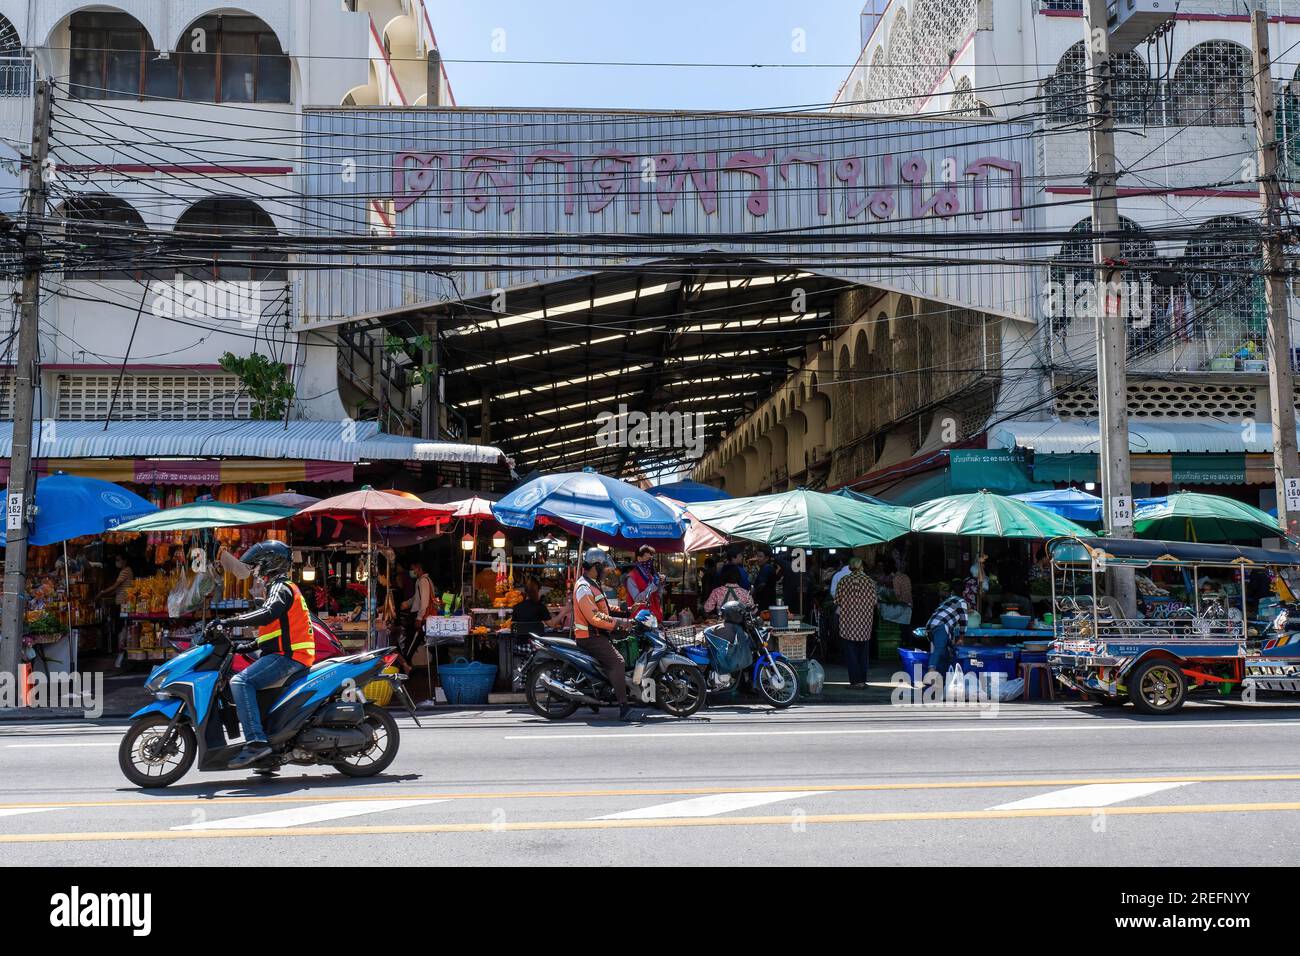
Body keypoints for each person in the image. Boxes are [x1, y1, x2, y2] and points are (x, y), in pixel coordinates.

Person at [218, 541, 316, 769]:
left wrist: (228, 621)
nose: (256, 571)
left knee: (241, 682)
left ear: (270, 564)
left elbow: (266, 614)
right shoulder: (279, 588)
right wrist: (241, 647)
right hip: (286, 654)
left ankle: (255, 742)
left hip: (290, 657)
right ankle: (269, 756)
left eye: (258, 565)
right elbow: (271, 634)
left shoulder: (282, 587)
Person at [574, 548, 634, 721]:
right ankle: (624, 707)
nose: (607, 571)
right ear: (596, 565)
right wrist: (619, 624)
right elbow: (595, 617)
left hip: (598, 634)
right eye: (604, 567)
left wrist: (626, 611)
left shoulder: (592, 584)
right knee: (617, 662)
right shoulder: (584, 588)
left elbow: (603, 609)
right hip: (590, 637)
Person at [834, 558, 878, 687]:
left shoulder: (844, 581)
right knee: (863, 653)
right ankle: (862, 681)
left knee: (851, 653)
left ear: (850, 567)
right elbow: (874, 601)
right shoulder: (869, 581)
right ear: (861, 567)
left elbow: (837, 600)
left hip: (848, 623)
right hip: (865, 623)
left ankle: (855, 681)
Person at [926, 588, 969, 674]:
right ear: (964, 593)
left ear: (952, 592)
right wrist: (961, 638)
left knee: (944, 654)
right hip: (940, 625)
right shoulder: (962, 601)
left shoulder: (947, 601)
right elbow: (964, 621)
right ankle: (931, 671)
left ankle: (943, 677)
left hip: (930, 625)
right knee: (940, 648)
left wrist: (951, 641)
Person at [96, 555, 134, 653]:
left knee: (120, 626)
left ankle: (120, 649)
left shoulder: (125, 571)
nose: (116, 562)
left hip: (123, 603)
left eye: (118, 560)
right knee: (121, 626)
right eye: (116, 560)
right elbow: (117, 589)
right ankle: (120, 647)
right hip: (124, 602)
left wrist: (102, 592)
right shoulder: (127, 571)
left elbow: (115, 586)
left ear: (124, 561)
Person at [626, 545, 664, 622]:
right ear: (639, 558)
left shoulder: (649, 575)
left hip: (652, 618)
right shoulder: (631, 577)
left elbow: (657, 596)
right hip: (639, 619)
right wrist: (653, 586)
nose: (650, 562)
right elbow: (637, 599)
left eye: (651, 559)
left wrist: (660, 584)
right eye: (648, 559)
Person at [403, 560, 436, 632]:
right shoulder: (420, 580)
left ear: (419, 568)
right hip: (421, 613)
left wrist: (419, 617)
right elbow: (417, 597)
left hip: (421, 614)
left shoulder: (423, 581)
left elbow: (424, 601)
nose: (412, 571)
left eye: (413, 569)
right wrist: (407, 603)